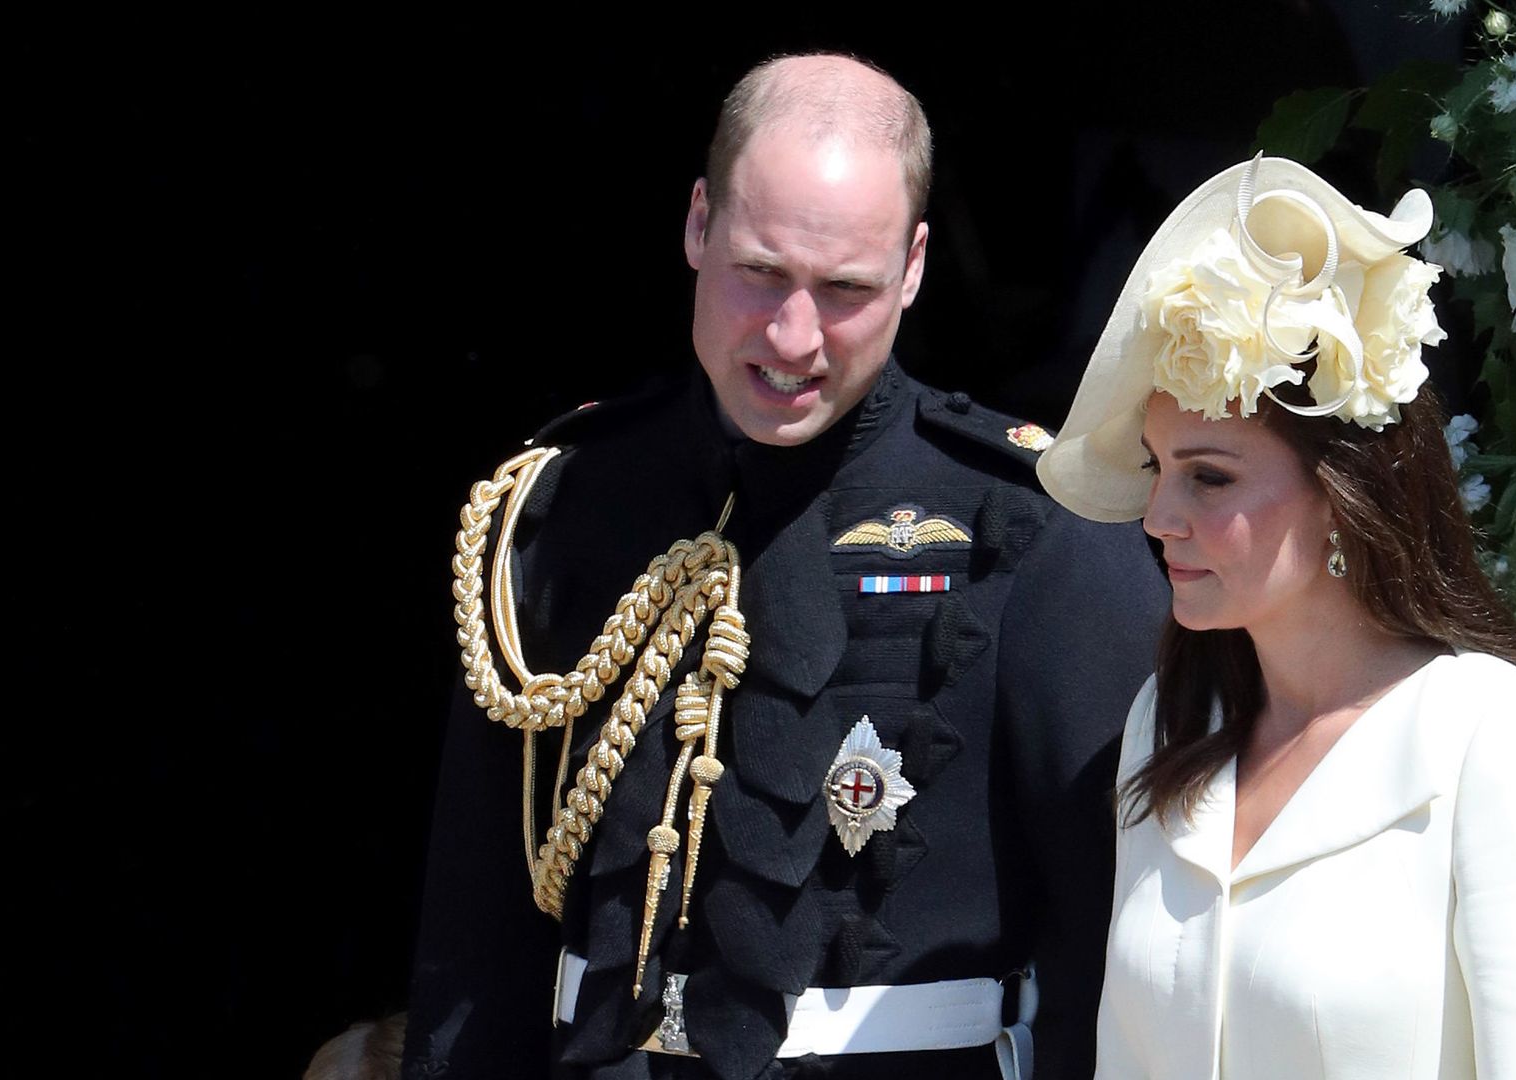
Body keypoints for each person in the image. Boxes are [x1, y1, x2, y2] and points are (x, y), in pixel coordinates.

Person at [404, 54, 1166, 1080]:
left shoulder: (1029, 527)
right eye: (760, 274)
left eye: (845, 290)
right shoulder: (558, 508)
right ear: (697, 226)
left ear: (913, 267)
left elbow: (1119, 943)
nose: (793, 337)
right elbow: (476, 946)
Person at [1035, 156, 1516, 1077]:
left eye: (1211, 475)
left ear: (1345, 491)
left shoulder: (1503, 737)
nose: (1157, 517)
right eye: (1159, 469)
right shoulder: (1172, 716)